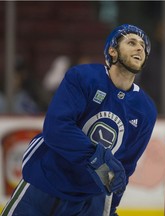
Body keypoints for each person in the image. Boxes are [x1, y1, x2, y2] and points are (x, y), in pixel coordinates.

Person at [1, 24, 157, 216]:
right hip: (45, 182)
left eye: (143, 46)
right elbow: (57, 128)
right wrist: (96, 157)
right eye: (131, 42)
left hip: (88, 200)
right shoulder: (84, 77)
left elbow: (124, 167)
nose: (140, 48)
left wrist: (111, 204)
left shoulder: (145, 110)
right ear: (112, 51)